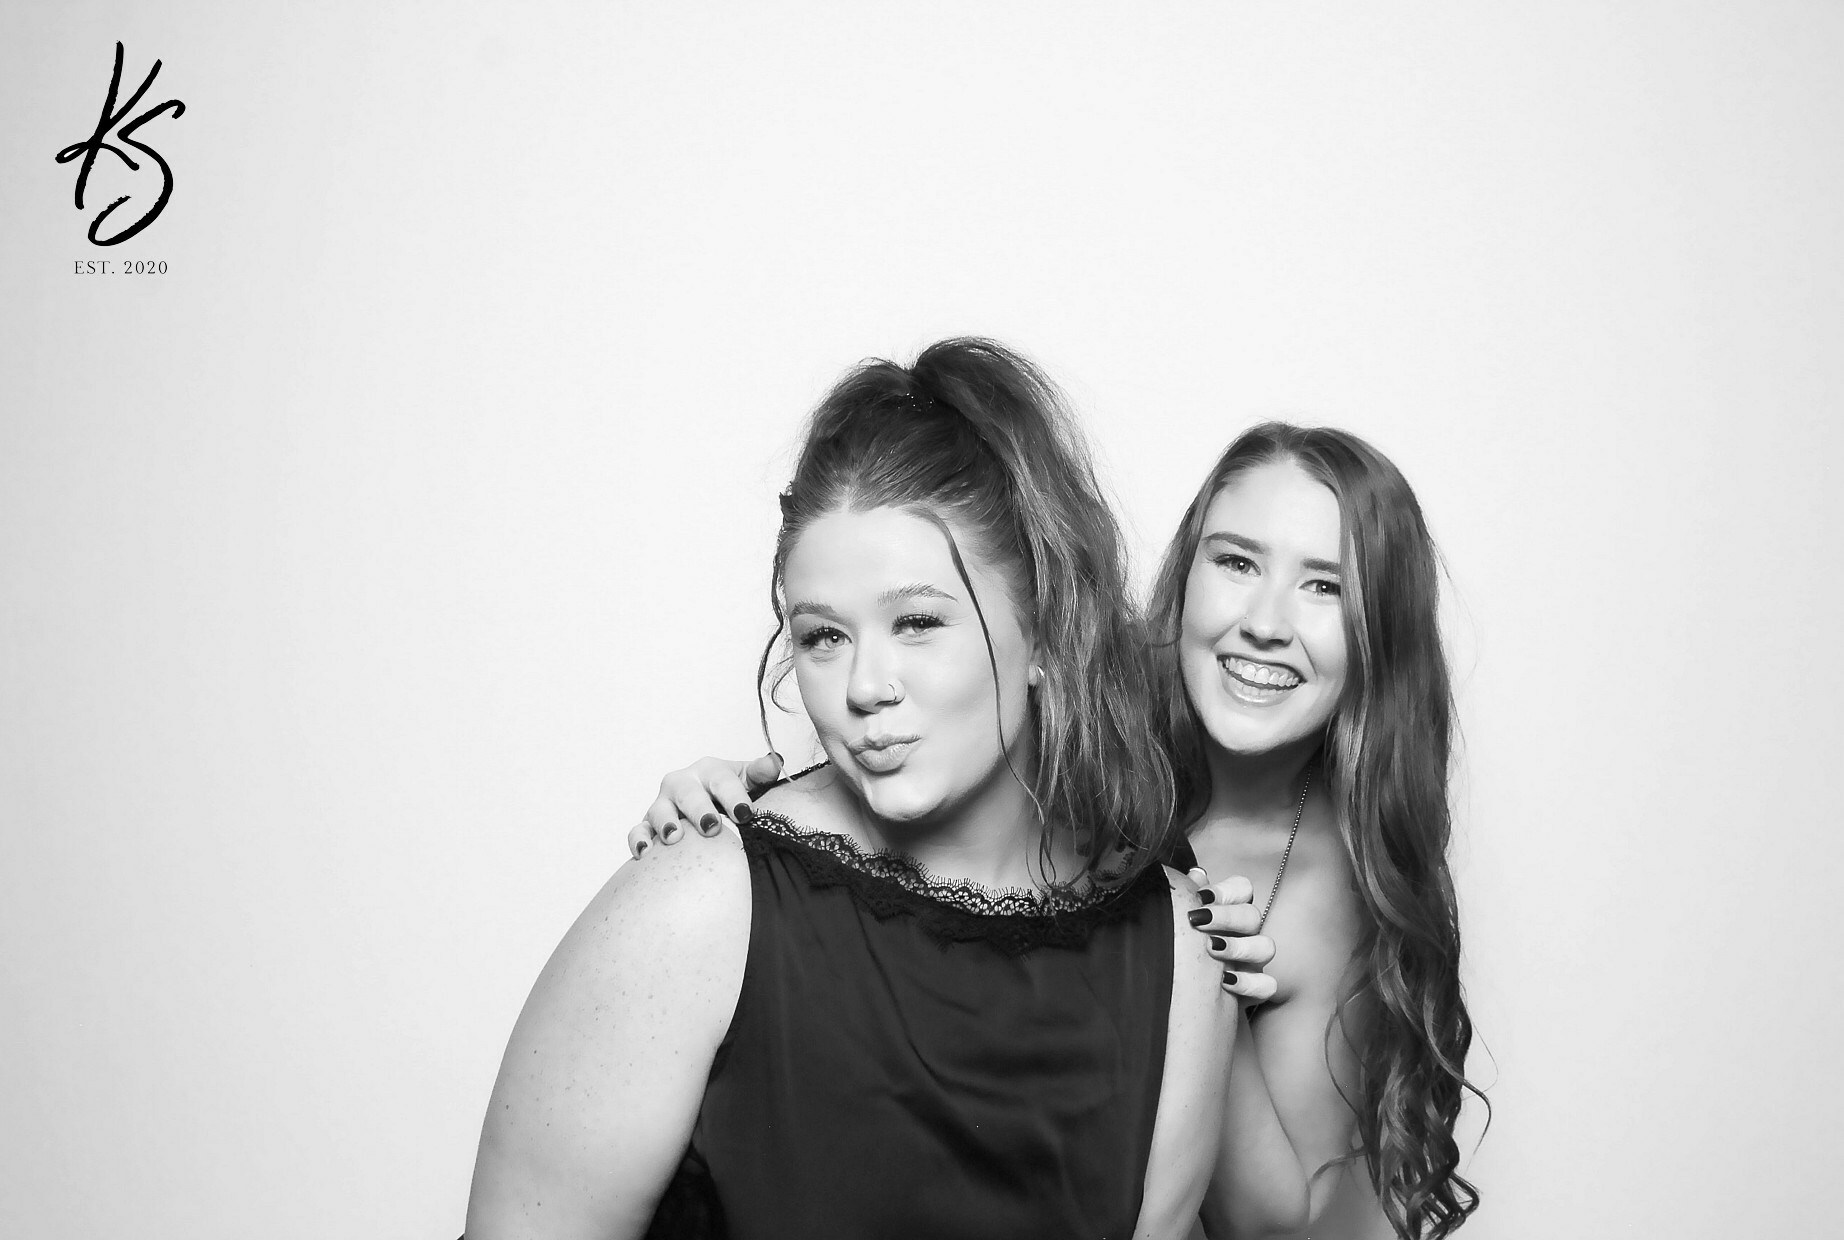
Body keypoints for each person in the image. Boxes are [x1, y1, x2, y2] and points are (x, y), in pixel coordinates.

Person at [465, 339, 1242, 1240]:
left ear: (1043, 629)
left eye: (917, 622)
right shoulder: (701, 908)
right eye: (824, 637)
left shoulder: (1181, 949)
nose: (865, 686)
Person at [630, 423, 1485, 1239]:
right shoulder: (1073, 699)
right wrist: (738, 800)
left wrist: (1199, 982)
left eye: (1325, 586)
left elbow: (1271, 1219)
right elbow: (907, 732)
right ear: (1186, 573)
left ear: (1381, 634)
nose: (1265, 621)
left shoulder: (1333, 881)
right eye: (1236, 562)